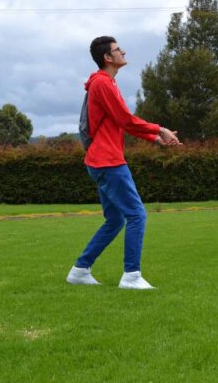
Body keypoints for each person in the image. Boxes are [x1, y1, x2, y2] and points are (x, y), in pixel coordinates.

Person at [66, 36, 180, 290]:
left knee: (116, 220)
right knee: (137, 215)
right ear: (108, 58)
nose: (123, 52)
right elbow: (126, 119)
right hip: (107, 161)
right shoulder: (103, 84)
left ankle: (80, 270)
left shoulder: (106, 83)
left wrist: (153, 137)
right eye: (118, 50)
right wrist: (159, 129)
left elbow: (120, 122)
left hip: (101, 160)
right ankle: (131, 276)